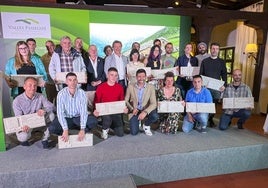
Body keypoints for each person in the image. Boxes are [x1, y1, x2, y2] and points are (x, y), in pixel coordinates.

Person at [49, 72, 98, 142]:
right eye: (70, 80)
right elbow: (60, 113)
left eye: (74, 80)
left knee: (93, 121)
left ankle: (81, 131)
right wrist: (65, 129)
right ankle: (65, 132)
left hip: (78, 118)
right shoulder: (61, 94)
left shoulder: (82, 93)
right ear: (66, 82)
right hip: (66, 118)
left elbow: (83, 112)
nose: (72, 82)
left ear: (77, 81)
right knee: (52, 128)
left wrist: (82, 129)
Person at [12, 77, 55, 148]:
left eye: (35, 85)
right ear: (24, 87)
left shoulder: (40, 96)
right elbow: (18, 117)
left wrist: (44, 110)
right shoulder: (17, 101)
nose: (33, 88)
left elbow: (51, 106)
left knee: (51, 115)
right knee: (23, 137)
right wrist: (23, 126)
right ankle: (25, 138)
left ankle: (45, 138)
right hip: (26, 124)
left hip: (38, 121)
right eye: (30, 85)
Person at [94, 67, 127, 139]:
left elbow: (121, 100)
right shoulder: (101, 87)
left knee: (120, 134)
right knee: (107, 118)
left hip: (116, 111)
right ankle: (105, 130)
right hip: (105, 111)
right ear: (107, 76)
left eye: (116, 75)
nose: (114, 77)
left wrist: (124, 108)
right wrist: (95, 110)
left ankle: (111, 124)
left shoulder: (120, 87)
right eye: (111, 75)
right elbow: (96, 100)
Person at [200, 42, 227, 127]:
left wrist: (224, 85)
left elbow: (224, 75)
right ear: (210, 50)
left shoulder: (222, 62)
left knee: (214, 104)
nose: (214, 50)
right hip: (206, 87)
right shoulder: (205, 61)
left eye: (216, 49)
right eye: (213, 48)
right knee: (205, 103)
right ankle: (203, 118)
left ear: (219, 50)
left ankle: (210, 119)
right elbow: (201, 74)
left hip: (216, 87)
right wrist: (202, 85)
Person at [125, 69, 158, 136]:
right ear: (136, 77)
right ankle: (138, 120)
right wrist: (132, 109)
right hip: (135, 110)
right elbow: (126, 100)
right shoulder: (130, 86)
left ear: (146, 77)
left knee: (155, 116)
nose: (141, 78)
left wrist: (145, 112)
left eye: (143, 76)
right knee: (134, 133)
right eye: (139, 76)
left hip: (145, 109)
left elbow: (154, 103)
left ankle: (146, 125)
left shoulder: (151, 87)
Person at [82, 45, 106, 112]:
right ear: (88, 51)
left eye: (95, 49)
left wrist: (99, 81)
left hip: (100, 86)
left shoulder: (102, 60)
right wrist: (91, 82)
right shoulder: (84, 61)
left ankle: (100, 118)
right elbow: (83, 73)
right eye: (92, 49)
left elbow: (105, 72)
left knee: (100, 103)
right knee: (90, 105)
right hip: (89, 86)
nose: (93, 51)